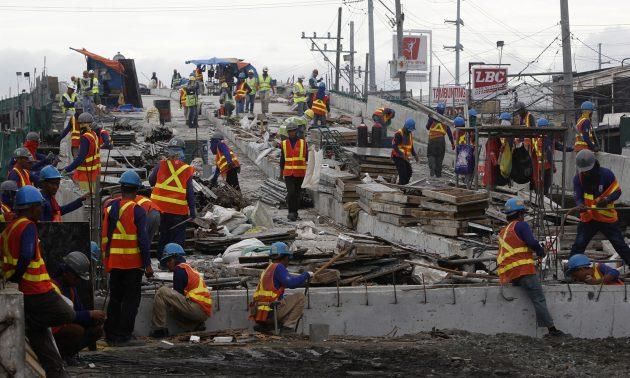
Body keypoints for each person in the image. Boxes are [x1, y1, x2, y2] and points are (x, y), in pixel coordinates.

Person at [1, 185, 76, 376]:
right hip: (36, 290)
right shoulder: (28, 225)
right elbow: (26, 255)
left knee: (42, 342)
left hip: (25, 290)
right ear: (31, 207)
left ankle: (55, 371)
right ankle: (31, 322)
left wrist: (13, 280)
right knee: (67, 314)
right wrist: (17, 279)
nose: (41, 210)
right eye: (38, 206)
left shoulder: (8, 230)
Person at [497, 198, 564, 337]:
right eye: (523, 214)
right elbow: (531, 241)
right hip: (523, 271)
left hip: (510, 274)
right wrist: (540, 251)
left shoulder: (503, 231)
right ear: (520, 214)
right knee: (538, 299)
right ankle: (552, 330)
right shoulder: (521, 225)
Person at [101, 171, 153, 346]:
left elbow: (105, 238)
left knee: (115, 299)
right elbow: (143, 241)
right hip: (132, 264)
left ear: (121, 188)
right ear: (137, 191)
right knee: (131, 301)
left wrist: (106, 261)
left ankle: (111, 334)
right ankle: (124, 336)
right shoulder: (138, 211)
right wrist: (148, 265)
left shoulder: (109, 209)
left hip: (114, 263)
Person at [569, 150, 630, 264]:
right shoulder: (578, 179)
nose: (585, 173)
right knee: (579, 244)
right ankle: (572, 269)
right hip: (589, 218)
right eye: (584, 171)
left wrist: (607, 200)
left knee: (619, 244)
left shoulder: (606, 175)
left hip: (606, 218)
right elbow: (578, 196)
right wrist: (580, 204)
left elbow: (617, 192)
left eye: (587, 171)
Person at [51, 252, 106, 363]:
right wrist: (89, 314)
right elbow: (66, 315)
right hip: (53, 332)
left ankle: (68, 355)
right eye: (76, 277)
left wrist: (93, 318)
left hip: (67, 323)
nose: (78, 281)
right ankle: (58, 356)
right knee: (76, 331)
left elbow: (78, 309)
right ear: (66, 273)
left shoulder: (71, 287)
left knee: (97, 329)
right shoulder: (53, 287)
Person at [150, 243, 212, 338]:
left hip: (197, 308)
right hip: (203, 311)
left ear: (175, 258)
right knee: (173, 310)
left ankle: (159, 330)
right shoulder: (189, 269)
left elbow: (177, 294)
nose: (167, 264)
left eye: (168, 260)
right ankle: (196, 326)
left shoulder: (179, 270)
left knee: (161, 292)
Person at [250, 242, 312, 333]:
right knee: (300, 297)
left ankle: (265, 327)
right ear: (285, 257)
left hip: (260, 313)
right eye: (288, 259)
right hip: (271, 312)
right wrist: (306, 275)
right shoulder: (279, 267)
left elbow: (280, 287)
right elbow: (291, 283)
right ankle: (287, 329)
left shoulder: (268, 269)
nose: (288, 262)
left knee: (284, 300)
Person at [149, 138, 195, 260]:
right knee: (177, 238)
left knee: (163, 236)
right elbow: (190, 192)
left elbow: (151, 181)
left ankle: (162, 261)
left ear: (169, 150)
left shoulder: (161, 164)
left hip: (160, 209)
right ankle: (177, 262)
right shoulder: (187, 169)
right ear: (183, 151)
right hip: (178, 211)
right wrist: (193, 210)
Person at [60, 112, 101, 194]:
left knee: (85, 199)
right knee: (92, 197)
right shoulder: (94, 135)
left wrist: (67, 169)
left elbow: (80, 158)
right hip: (94, 174)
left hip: (85, 176)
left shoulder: (85, 138)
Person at [531, 118, 572, 195]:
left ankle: (539, 201)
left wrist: (571, 149)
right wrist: (553, 166)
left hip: (537, 167)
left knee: (539, 186)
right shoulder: (546, 138)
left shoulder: (536, 138)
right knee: (545, 187)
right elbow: (549, 153)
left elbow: (559, 147)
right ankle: (543, 202)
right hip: (545, 166)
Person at [280, 123, 308, 221]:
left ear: (296, 131)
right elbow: (282, 159)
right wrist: (281, 173)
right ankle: (291, 212)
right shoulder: (283, 143)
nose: (291, 133)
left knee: (297, 194)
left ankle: (295, 213)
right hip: (288, 173)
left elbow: (307, 157)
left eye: (293, 131)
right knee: (291, 192)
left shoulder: (303, 143)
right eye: (289, 131)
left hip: (300, 173)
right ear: (287, 132)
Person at [425, 102, 455, 178]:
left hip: (432, 140)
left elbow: (427, 127)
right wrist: (452, 143)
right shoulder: (445, 120)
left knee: (431, 155)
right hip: (441, 141)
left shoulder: (432, 117)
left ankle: (432, 167)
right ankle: (438, 175)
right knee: (440, 158)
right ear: (443, 110)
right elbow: (449, 133)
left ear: (437, 109)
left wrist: (429, 118)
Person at [391, 118, 418, 185]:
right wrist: (401, 154)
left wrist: (415, 154)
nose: (410, 131)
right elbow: (394, 146)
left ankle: (405, 185)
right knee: (403, 174)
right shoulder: (399, 134)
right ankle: (401, 187)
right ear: (405, 127)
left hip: (405, 157)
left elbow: (411, 146)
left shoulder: (409, 134)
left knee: (409, 172)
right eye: (409, 130)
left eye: (411, 130)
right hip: (397, 157)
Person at [60, 84, 81, 156]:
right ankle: (64, 153)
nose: (72, 91)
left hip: (74, 115)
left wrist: (73, 104)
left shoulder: (74, 95)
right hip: (67, 115)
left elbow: (77, 104)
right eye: (71, 89)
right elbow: (66, 104)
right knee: (66, 135)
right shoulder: (64, 96)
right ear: (68, 89)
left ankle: (70, 152)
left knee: (70, 134)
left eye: (73, 90)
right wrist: (73, 104)